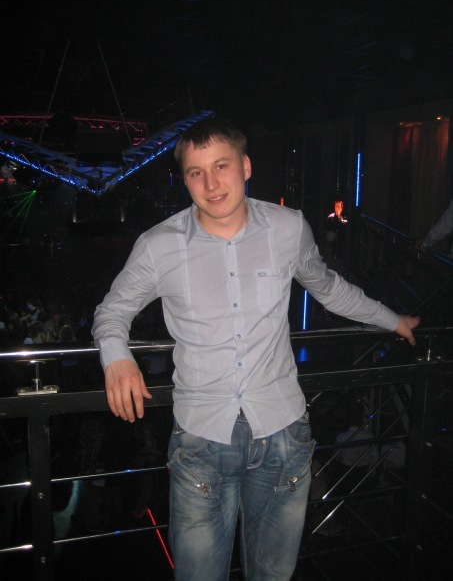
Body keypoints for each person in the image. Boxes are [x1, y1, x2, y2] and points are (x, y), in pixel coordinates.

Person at [92, 117, 420, 581]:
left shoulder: (287, 228)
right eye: (196, 172)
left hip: (283, 432)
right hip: (201, 439)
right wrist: (117, 358)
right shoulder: (158, 246)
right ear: (184, 180)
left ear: (245, 167)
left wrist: (392, 320)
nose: (211, 184)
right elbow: (111, 312)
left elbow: (328, 288)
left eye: (221, 166)